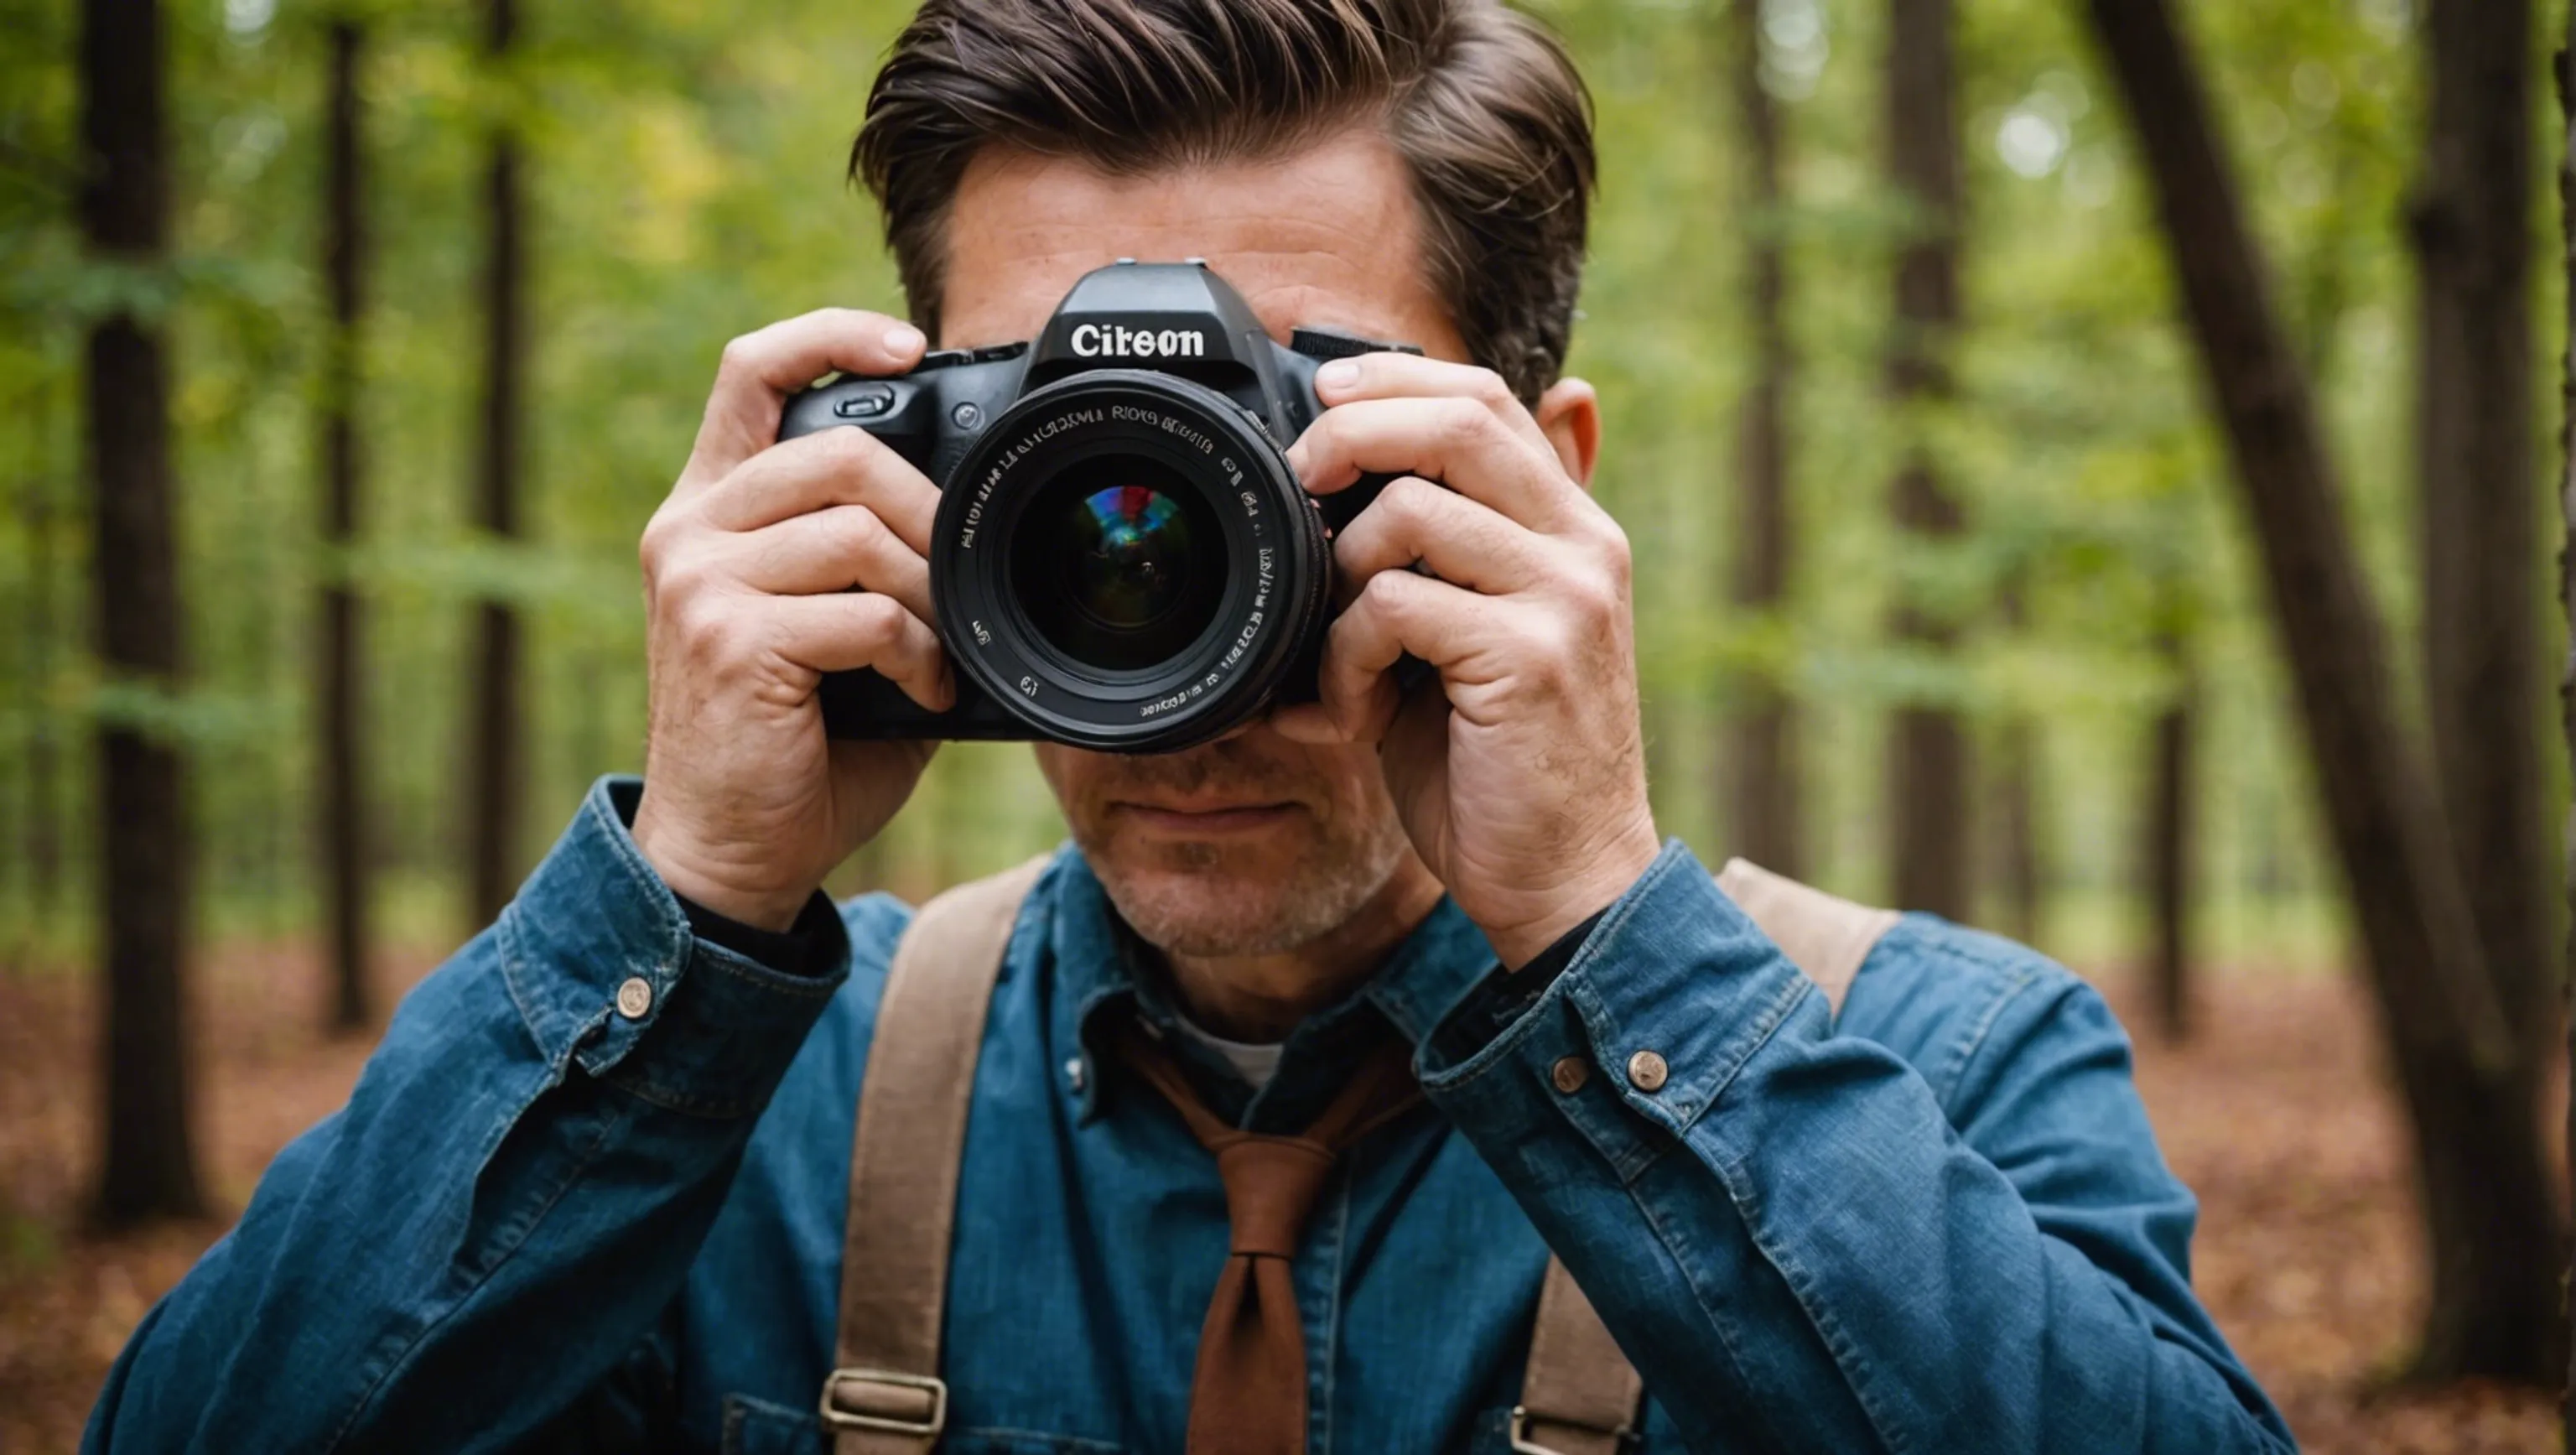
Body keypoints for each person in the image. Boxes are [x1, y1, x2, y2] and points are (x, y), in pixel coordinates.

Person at [86, 1, 2295, 1451]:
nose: (1159, 572)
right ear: (911, 470)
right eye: (1065, 446)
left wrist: (1618, 945)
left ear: (1555, 484)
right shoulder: (740, 1105)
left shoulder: (1945, 1069)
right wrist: (677, 900)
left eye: (1284, 429)